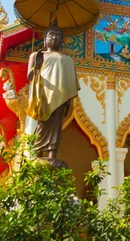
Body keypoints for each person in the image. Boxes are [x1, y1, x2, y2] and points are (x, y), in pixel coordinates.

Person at [26, 25, 80, 166]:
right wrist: (36, 66)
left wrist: (68, 99)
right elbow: (30, 77)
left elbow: (70, 82)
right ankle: (37, 154)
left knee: (56, 128)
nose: (54, 38)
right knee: (42, 125)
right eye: (51, 35)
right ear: (44, 40)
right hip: (44, 95)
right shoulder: (37, 55)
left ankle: (51, 155)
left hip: (60, 96)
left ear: (62, 41)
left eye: (57, 35)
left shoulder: (67, 59)